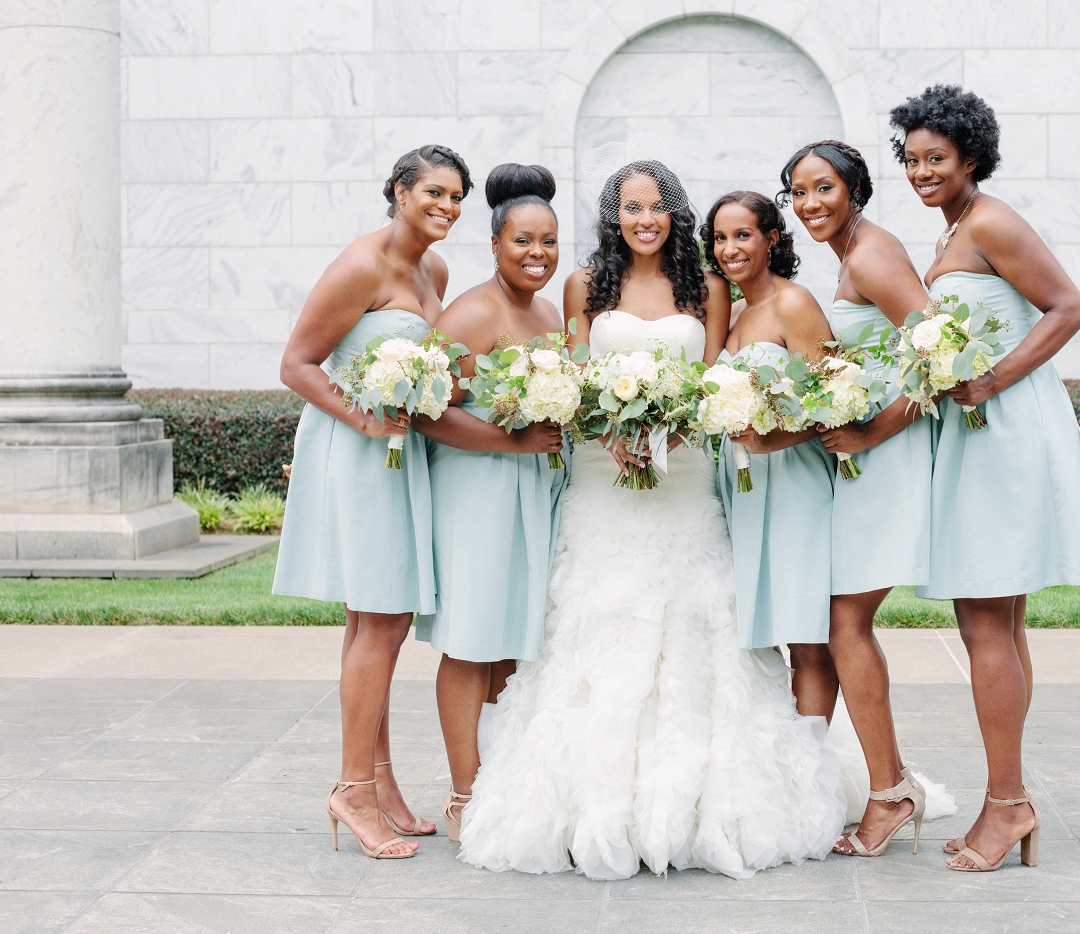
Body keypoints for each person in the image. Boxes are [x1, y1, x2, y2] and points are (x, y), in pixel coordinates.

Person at [457, 151, 847, 881]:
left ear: (674, 212)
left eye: (655, 206)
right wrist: (615, 434)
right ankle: (587, 804)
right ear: (613, 217)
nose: (643, 220)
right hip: (604, 477)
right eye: (629, 208)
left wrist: (667, 432)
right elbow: (567, 383)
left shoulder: (704, 285)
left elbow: (710, 378)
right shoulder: (581, 283)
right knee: (594, 619)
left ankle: (703, 799)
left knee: (695, 618)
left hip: (685, 474)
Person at [893, 85, 1080, 872]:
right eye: (912, 159)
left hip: (1003, 438)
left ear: (972, 158)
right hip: (986, 441)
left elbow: (1068, 308)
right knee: (1000, 624)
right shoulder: (959, 228)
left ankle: (1009, 805)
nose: (921, 171)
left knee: (986, 624)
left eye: (936, 158)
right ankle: (1007, 800)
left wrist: (988, 383)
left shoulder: (989, 221)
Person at [274, 144, 473, 858]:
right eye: (434, 193)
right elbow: (297, 363)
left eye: (457, 198)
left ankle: (380, 783)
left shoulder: (435, 269)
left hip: (400, 449)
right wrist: (363, 418)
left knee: (373, 619)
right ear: (398, 190)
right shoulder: (362, 264)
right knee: (383, 620)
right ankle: (351, 789)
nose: (446, 207)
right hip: (357, 450)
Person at [780, 140, 938, 858]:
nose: (810, 203)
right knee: (841, 623)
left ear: (855, 190)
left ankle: (890, 791)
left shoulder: (872, 254)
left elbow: (944, 349)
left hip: (888, 463)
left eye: (823, 188)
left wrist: (874, 432)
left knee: (846, 625)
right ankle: (879, 784)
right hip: (862, 468)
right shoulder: (850, 257)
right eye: (799, 192)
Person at [414, 163, 567, 841]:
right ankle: (464, 792)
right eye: (523, 242)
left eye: (549, 242)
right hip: (477, 490)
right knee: (472, 639)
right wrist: (512, 445)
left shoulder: (549, 311)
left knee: (513, 638)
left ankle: (505, 777)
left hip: (532, 491)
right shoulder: (472, 311)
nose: (538, 254)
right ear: (496, 244)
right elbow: (421, 409)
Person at [701, 190, 838, 697]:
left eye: (742, 235)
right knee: (762, 627)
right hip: (741, 485)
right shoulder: (733, 312)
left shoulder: (793, 303)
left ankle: (812, 764)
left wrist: (771, 437)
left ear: (771, 238)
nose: (729, 248)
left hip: (793, 480)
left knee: (805, 633)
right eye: (719, 237)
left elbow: (837, 401)